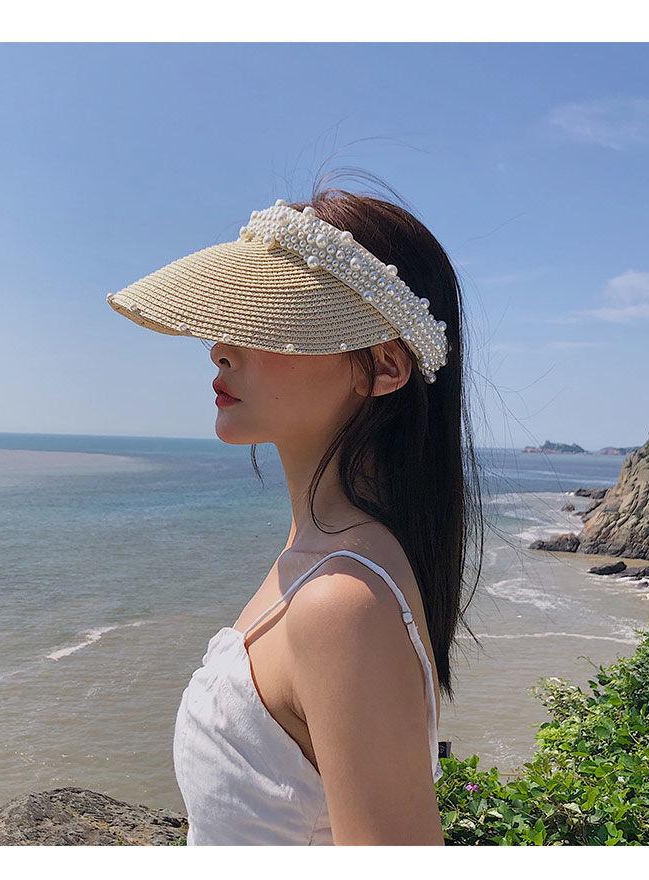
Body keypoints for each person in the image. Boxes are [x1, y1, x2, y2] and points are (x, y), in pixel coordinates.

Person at [106, 181, 483, 845]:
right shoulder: (322, 558)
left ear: (383, 367)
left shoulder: (340, 602)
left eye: (272, 319)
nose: (221, 347)